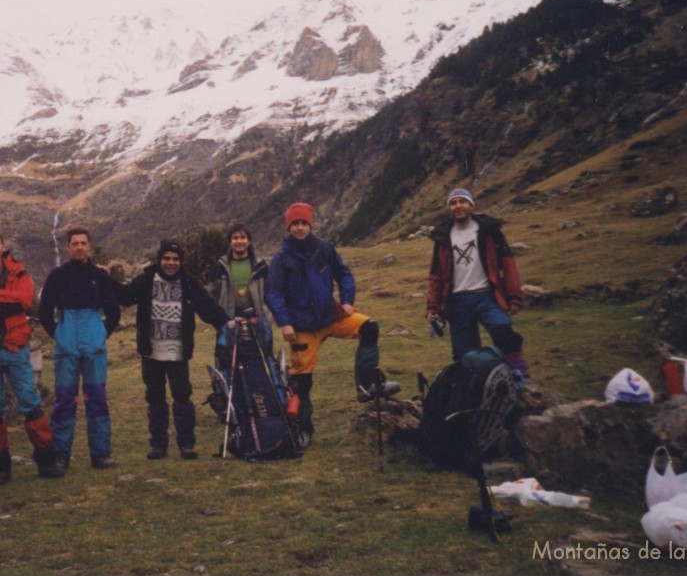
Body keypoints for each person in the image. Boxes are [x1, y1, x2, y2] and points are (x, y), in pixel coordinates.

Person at [265, 202, 399, 448]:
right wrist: (284, 323)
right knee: (301, 381)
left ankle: (367, 384)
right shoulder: (281, 258)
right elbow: (273, 293)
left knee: (369, 327)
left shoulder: (324, 248)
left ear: (310, 224)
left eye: (303, 223)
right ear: (288, 227)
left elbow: (344, 274)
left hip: (331, 318)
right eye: (295, 224)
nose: (300, 228)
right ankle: (302, 430)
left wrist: (348, 300)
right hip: (302, 326)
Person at [0, 229, 64, 486]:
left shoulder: (19, 272)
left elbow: (25, 299)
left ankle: (47, 460)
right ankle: (0, 468)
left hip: (14, 345)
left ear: (3, 246)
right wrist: (8, 304)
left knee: (30, 401)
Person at [116, 239, 230, 460]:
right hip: (151, 352)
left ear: (181, 261)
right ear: (160, 259)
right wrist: (105, 280)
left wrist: (228, 324)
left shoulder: (189, 283)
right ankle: (158, 445)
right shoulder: (146, 280)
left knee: (182, 396)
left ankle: (187, 444)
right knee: (154, 398)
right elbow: (125, 296)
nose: (170, 263)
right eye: (166, 258)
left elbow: (209, 308)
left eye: (175, 259)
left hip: (178, 353)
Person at [38, 228, 121, 470]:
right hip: (67, 343)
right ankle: (61, 454)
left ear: (90, 246)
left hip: (93, 342)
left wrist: (101, 334)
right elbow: (44, 310)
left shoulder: (100, 276)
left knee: (97, 397)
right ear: (68, 247)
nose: (79, 247)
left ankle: (101, 453)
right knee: (64, 399)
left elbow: (114, 310)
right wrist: (59, 335)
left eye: (84, 243)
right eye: (75, 243)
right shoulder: (58, 275)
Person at [426, 188, 530, 379]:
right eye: (454, 202)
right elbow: (436, 275)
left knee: (505, 333)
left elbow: (507, 264)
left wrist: (514, 296)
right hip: (457, 301)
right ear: (450, 207)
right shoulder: (442, 237)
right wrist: (432, 308)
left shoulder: (489, 231)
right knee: (465, 355)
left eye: (462, 201)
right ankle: (478, 396)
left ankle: (522, 382)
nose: (458, 206)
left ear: (471, 205)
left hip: (486, 297)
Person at [207, 222, 273, 324]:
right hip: (229, 323)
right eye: (235, 238)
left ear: (249, 241)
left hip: (258, 322)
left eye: (243, 237)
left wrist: (268, 317)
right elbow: (209, 295)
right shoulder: (220, 267)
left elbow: (272, 292)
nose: (239, 241)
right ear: (230, 242)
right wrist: (218, 317)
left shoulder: (261, 266)